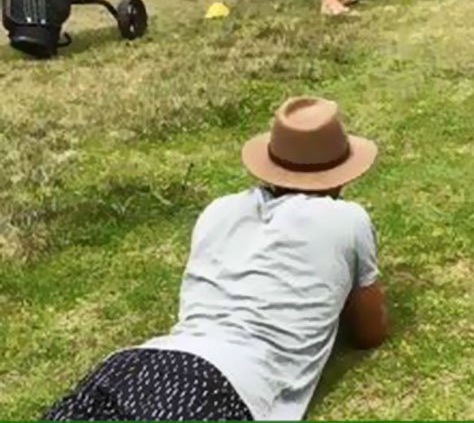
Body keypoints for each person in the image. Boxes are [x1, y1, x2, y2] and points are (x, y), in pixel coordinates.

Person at [43, 96, 387, 421]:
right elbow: (369, 332)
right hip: (223, 383)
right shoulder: (348, 219)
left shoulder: (219, 209)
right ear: (340, 174)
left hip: (131, 364)